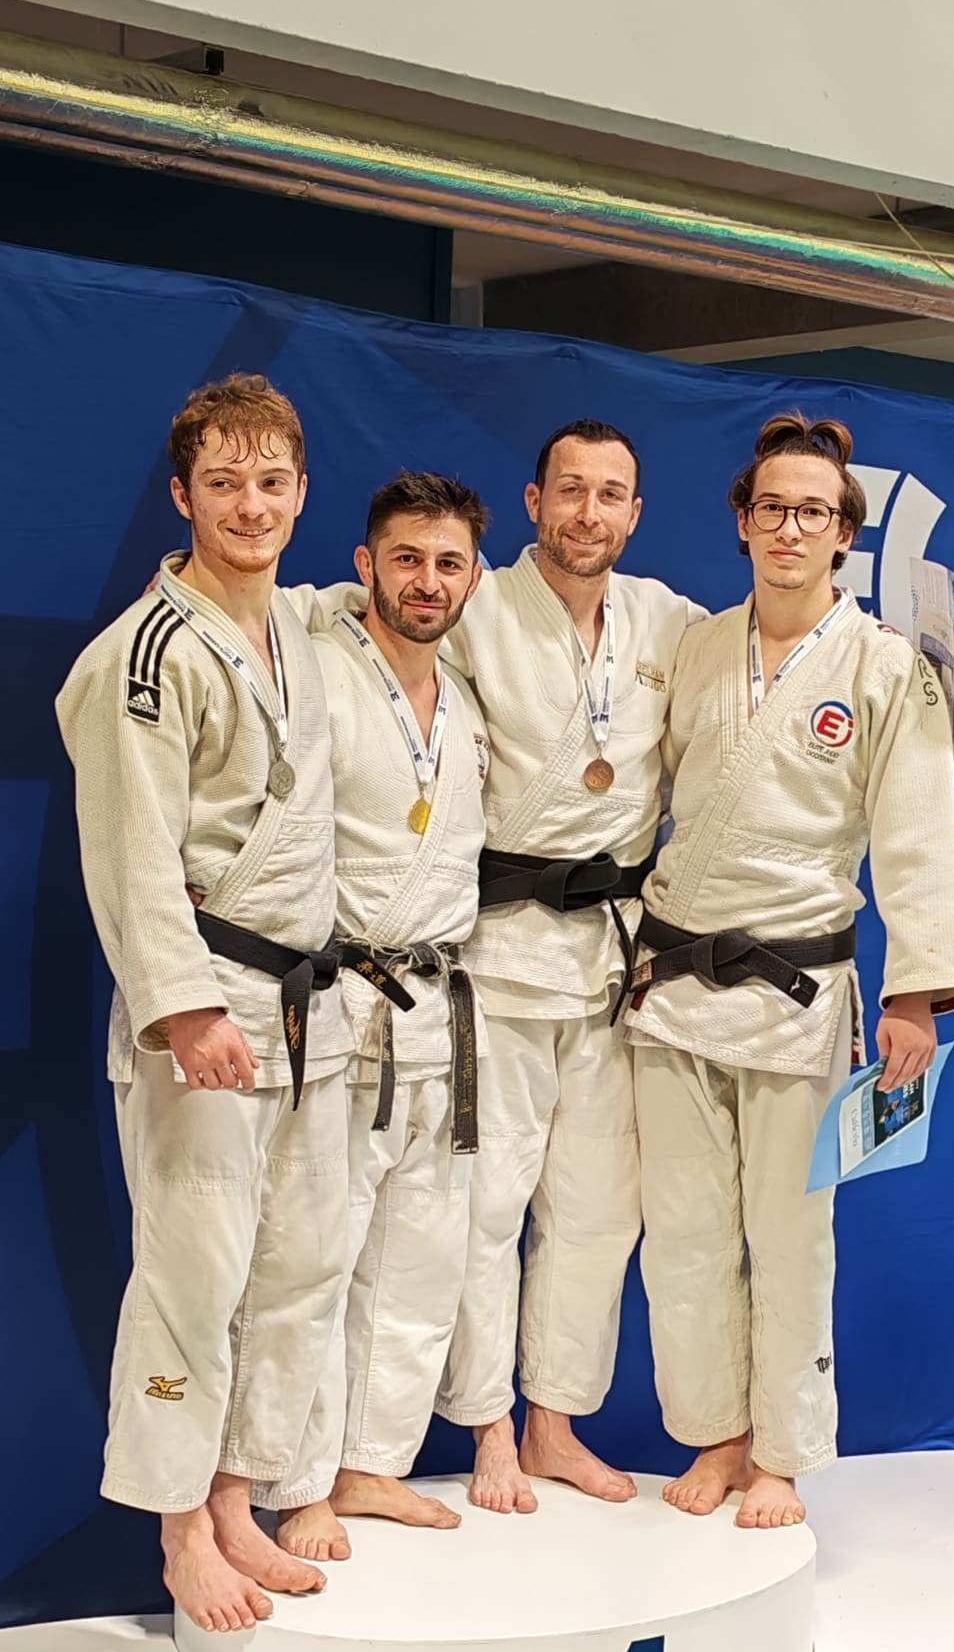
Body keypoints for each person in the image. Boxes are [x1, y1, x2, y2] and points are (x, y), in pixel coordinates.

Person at [292, 421, 701, 1512]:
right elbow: (353, 616)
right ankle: (487, 1430)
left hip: (615, 961)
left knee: (599, 1210)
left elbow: (747, 670)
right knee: (483, 1206)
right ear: (534, 503)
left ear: (635, 513)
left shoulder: (667, 621)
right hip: (501, 955)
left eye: (610, 494)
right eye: (570, 490)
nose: (588, 513)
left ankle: (554, 1422)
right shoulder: (476, 602)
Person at [625, 412, 954, 1530]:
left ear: (843, 534)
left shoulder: (886, 665)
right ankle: (716, 1432)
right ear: (742, 520)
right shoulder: (697, 648)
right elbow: (637, 799)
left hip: (799, 988)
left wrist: (914, 992)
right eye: (772, 507)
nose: (790, 527)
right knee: (683, 1232)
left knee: (788, 1235)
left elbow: (917, 829)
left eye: (813, 511)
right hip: (674, 978)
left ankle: (783, 1449)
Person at [56, 374, 351, 1631]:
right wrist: (182, 1009)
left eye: (272, 482)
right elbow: (132, 853)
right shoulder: (146, 655)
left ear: (302, 491)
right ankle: (180, 1532)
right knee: (192, 1270)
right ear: (182, 494)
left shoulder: (301, 630)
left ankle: (236, 1498)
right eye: (224, 483)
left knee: (292, 1267)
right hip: (210, 1001)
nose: (251, 505)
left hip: (302, 1001)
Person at [262, 472, 492, 1562]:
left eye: (449, 562)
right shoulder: (315, 664)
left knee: (419, 1256)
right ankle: (298, 1481)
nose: (426, 581)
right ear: (364, 565)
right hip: (345, 1002)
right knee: (315, 1255)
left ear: (475, 577)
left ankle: (370, 1462)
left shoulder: (471, 700)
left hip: (441, 1005)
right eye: (406, 558)